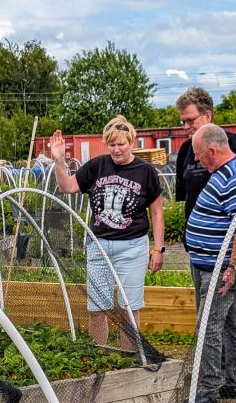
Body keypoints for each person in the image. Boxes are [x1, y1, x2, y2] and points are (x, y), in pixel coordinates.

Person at [49, 117, 165, 350]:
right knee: (97, 307)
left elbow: (157, 213)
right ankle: (99, 355)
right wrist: (59, 160)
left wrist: (158, 249)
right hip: (99, 246)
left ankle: (128, 357)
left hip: (132, 247)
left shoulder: (145, 171)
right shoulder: (97, 166)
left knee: (128, 308)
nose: (116, 149)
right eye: (111, 144)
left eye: (121, 144)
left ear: (132, 141)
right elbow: (67, 187)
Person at [185, 123, 236, 403]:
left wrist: (231, 267)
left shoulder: (233, 179)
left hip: (220, 268)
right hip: (211, 264)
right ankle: (234, 381)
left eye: (199, 155)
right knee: (231, 324)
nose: (197, 160)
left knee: (209, 326)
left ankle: (210, 387)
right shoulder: (224, 172)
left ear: (213, 150)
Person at [175, 87, 236, 305]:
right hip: (200, 251)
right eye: (183, 122)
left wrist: (235, 259)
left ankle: (212, 342)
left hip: (224, 252)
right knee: (204, 304)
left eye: (190, 120)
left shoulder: (232, 144)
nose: (186, 127)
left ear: (208, 115)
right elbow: (186, 197)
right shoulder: (185, 151)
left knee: (219, 311)